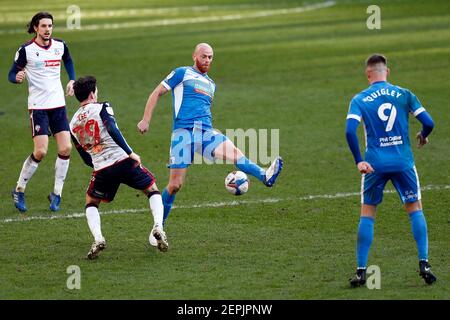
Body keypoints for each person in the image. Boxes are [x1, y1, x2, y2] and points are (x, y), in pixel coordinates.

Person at [137, 43, 283, 247]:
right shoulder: (182, 73)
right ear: (194, 56)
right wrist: (146, 119)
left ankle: (264, 176)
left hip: (206, 132)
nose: (207, 60)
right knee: (175, 185)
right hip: (183, 135)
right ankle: (158, 228)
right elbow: (156, 93)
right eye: (204, 56)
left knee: (235, 153)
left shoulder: (211, 84)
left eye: (211, 57)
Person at [345, 54, 436, 286]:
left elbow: (349, 131)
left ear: (368, 74)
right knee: (415, 209)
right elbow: (429, 122)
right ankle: (424, 263)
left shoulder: (360, 99)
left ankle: (361, 271)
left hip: (374, 163)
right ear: (388, 71)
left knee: (368, 214)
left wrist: (359, 160)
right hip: (402, 162)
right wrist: (423, 136)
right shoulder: (405, 94)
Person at [70, 76, 168, 259]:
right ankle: (158, 227)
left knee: (91, 202)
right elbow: (112, 129)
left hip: (100, 168)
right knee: (152, 190)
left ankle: (98, 238)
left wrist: (99, 163)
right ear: (92, 93)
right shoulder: (102, 107)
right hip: (122, 161)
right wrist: (130, 153)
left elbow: (84, 156)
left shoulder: (72, 123)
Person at [9, 12, 76, 212]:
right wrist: (17, 77)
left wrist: (71, 79)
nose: (48, 29)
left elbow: (69, 60)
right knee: (41, 151)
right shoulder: (26, 50)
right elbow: (12, 73)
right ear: (36, 28)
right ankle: (19, 189)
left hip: (58, 105)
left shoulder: (60, 46)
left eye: (50, 26)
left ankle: (56, 193)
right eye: (44, 26)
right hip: (38, 107)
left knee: (65, 148)